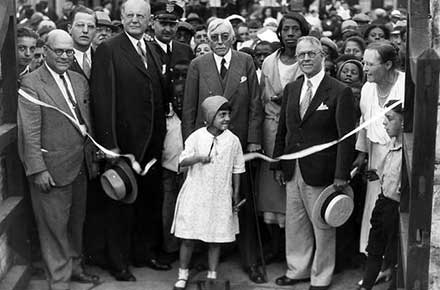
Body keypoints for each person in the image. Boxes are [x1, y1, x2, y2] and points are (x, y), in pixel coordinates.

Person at [91, 0, 170, 281]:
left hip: (151, 145)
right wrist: (109, 145)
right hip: (123, 145)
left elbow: (158, 97)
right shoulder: (109, 49)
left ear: (149, 20)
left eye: (141, 16)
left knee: (148, 201)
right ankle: (118, 262)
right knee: (119, 203)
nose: (135, 20)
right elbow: (102, 100)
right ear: (121, 18)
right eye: (130, 15)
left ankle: (143, 253)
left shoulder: (151, 49)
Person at [182, 18, 265, 283]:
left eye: (224, 37)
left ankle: (251, 262)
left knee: (242, 201)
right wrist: (190, 145)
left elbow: (255, 103)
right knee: (203, 202)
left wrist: (253, 139)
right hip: (206, 147)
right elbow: (189, 109)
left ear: (233, 38)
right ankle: (198, 262)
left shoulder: (245, 61)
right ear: (206, 38)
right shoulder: (198, 65)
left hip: (237, 144)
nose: (219, 42)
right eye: (213, 37)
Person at [17, 29, 100, 290]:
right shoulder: (32, 83)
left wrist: (92, 159)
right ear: (46, 52)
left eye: (69, 51)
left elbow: (87, 122)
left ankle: (75, 268)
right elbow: (28, 132)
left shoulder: (78, 80)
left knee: (76, 224)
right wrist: (37, 170)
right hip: (50, 170)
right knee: (53, 230)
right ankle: (59, 281)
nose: (65, 56)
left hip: (79, 167)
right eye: (59, 51)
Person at [272, 36, 356, 290]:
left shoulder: (339, 91)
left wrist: (342, 173)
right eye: (301, 55)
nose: (305, 59)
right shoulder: (292, 89)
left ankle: (321, 277)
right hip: (293, 168)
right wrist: (278, 162)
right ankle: (297, 270)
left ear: (322, 56)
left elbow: (346, 138)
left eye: (310, 54)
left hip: (323, 171)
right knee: (295, 224)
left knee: (322, 225)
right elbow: (283, 129)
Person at [171, 96, 245, 290]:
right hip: (196, 194)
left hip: (220, 195)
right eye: (222, 115)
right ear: (210, 116)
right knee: (188, 237)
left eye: (228, 114)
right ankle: (183, 274)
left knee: (215, 237)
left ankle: (212, 275)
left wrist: (235, 193)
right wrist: (198, 158)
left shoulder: (233, 141)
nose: (227, 118)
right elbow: (182, 161)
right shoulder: (196, 137)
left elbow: (238, 168)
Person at [257, 11, 309, 265]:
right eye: (286, 29)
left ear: (303, 32)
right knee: (269, 191)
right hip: (269, 132)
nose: (290, 34)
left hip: (296, 132)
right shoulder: (268, 62)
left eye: (295, 29)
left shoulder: (308, 60)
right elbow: (259, 99)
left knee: (293, 191)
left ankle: (295, 250)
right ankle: (273, 246)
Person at [353, 41, 404, 282]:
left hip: (400, 158)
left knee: (394, 217)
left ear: (388, 64)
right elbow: (364, 124)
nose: (365, 68)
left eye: (370, 64)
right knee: (375, 215)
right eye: (364, 62)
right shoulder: (367, 88)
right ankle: (375, 267)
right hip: (375, 158)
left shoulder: (406, 86)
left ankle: (392, 268)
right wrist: (361, 155)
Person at [359, 100, 402, 290]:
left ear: (404, 122)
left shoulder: (408, 151)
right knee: (374, 248)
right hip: (383, 203)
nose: (384, 123)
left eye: (390, 118)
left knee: (395, 253)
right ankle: (366, 285)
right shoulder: (391, 143)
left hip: (396, 208)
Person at [68, 6, 96, 80]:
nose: (85, 30)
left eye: (90, 26)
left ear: (95, 30)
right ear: (70, 28)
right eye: (80, 25)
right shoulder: (62, 59)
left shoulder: (102, 58)